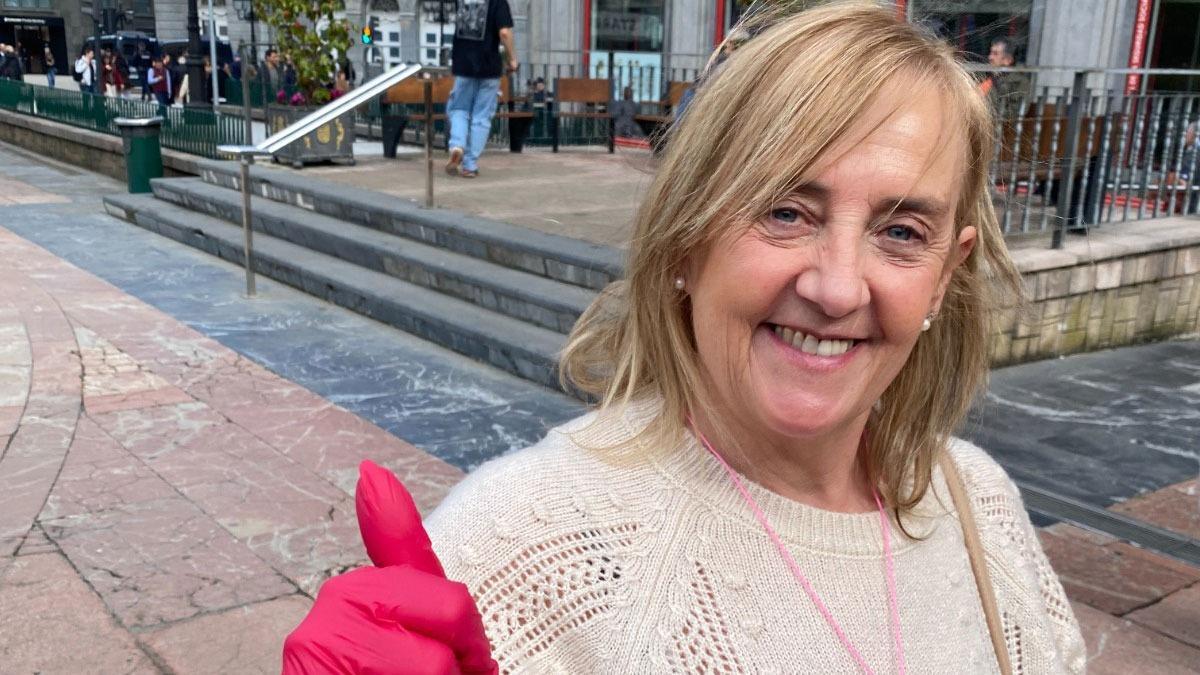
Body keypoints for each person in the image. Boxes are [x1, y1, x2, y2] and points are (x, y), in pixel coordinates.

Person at [282, 4, 1086, 673]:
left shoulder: (979, 501)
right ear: (684, 242)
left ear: (948, 272)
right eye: (784, 210)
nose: (838, 286)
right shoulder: (524, 547)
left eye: (903, 230)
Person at [444, 0, 516, 178]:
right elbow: (504, 33)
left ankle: (457, 146)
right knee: (481, 117)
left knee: (459, 109)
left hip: (463, 64)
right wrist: (512, 58)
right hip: (489, 66)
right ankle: (469, 165)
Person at [979, 37, 1031, 118]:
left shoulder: (1020, 82)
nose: (990, 57)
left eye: (995, 54)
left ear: (1008, 60)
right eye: (991, 53)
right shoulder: (984, 76)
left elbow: (1016, 113)